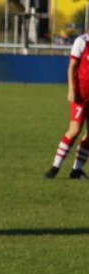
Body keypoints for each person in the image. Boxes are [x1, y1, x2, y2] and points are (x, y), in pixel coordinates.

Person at [44, 31, 89, 180]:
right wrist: (71, 90)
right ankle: (55, 167)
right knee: (74, 130)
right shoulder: (82, 41)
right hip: (81, 94)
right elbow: (72, 67)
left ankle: (76, 170)